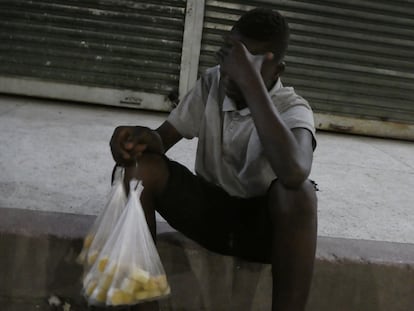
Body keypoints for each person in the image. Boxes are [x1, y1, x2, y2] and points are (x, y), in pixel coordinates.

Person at [110, 7, 318, 311]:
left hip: (258, 230)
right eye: (232, 54)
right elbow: (162, 139)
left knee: (300, 195)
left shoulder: (293, 109)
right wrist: (135, 139)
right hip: (208, 213)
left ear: (278, 71)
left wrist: (252, 85)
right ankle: (141, 303)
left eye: (250, 62)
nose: (234, 69)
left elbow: (295, 171)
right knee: (138, 169)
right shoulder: (213, 83)